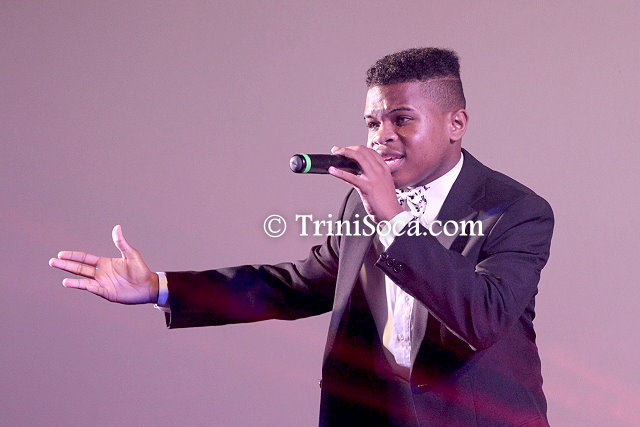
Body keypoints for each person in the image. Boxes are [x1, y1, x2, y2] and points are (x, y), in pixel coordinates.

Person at [49, 48, 554, 426]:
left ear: (456, 123)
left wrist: (393, 217)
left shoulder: (517, 211)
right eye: (372, 122)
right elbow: (296, 285)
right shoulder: (363, 203)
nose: (381, 136)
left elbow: (482, 315)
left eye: (401, 119)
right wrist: (159, 287)